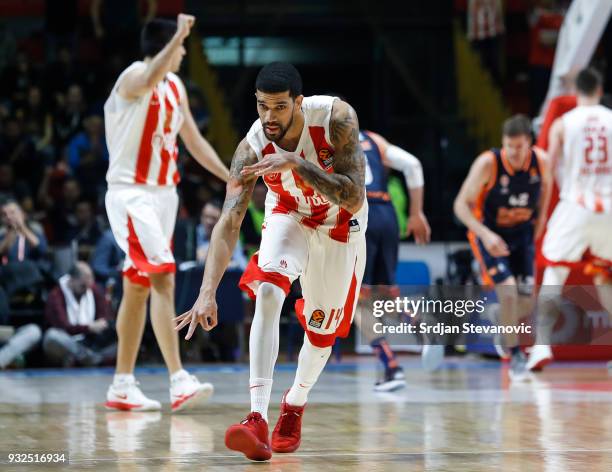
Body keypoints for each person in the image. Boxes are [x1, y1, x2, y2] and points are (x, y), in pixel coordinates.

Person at [175, 62, 367, 461]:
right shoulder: (251, 146)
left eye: (279, 107)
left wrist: (297, 163)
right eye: (263, 106)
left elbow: (353, 197)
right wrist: (206, 292)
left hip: (340, 222)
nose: (269, 116)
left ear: (299, 102)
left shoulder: (337, 118)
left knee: (321, 332)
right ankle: (256, 417)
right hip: (289, 213)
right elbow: (229, 221)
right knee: (266, 287)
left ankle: (294, 403)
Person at [103, 14, 229, 413]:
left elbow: (192, 140)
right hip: (132, 195)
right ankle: (178, 379)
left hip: (164, 197)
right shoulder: (133, 78)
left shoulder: (175, 87)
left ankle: (122, 386)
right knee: (163, 275)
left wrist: (230, 177)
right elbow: (151, 71)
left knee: (138, 286)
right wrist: (178, 34)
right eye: (180, 48)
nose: (184, 53)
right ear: (166, 48)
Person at [454, 114, 552, 381]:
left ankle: (503, 322)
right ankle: (515, 354)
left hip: (522, 234)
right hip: (491, 234)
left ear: (529, 144)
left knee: (524, 301)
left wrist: (539, 225)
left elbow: (545, 195)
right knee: (507, 291)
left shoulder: (541, 162)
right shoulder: (488, 163)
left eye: (519, 147)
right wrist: (485, 235)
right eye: (509, 146)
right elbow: (460, 206)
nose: (514, 153)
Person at [528, 68, 612, 371]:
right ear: (600, 90)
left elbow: (548, 171)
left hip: (575, 205)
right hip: (609, 207)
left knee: (555, 272)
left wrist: (542, 212)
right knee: (605, 276)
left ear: (576, 93)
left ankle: (540, 348)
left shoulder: (563, 124)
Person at [353, 130, 430, 391]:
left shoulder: (325, 137)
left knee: (356, 302)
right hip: (387, 214)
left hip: (360, 215)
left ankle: (392, 367)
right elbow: (413, 165)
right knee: (383, 296)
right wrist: (416, 213)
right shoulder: (374, 139)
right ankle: (419, 323)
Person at [43, 262, 116, 367]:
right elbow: (64, 327)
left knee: (122, 335)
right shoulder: (56, 295)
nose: (87, 289)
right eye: (83, 286)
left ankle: (86, 359)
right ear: (71, 280)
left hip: (90, 342)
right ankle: (91, 359)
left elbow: (104, 316)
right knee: (52, 336)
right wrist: (89, 328)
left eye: (89, 285)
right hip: (68, 342)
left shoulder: (92, 289)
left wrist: (102, 325)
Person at [196, 200, 247, 269]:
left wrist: (219, 262)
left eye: (214, 218)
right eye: (206, 216)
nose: (209, 221)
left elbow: (242, 265)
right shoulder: (192, 233)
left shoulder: (231, 236)